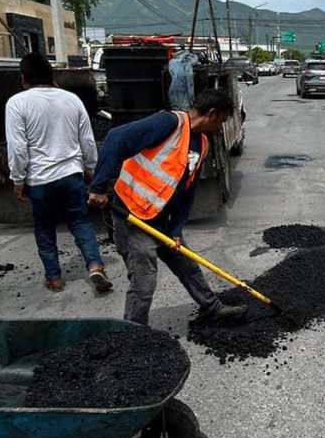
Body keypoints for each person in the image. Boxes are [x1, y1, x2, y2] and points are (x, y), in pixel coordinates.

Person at [87, 88, 246, 327]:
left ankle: (212, 308)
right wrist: (98, 187)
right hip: (133, 216)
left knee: (188, 267)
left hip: (161, 220)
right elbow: (115, 138)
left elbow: (187, 192)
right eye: (221, 121)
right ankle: (133, 332)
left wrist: (176, 228)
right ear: (212, 114)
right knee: (144, 282)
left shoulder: (202, 143)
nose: (220, 128)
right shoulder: (169, 123)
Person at [5, 52, 111, 294]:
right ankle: (95, 265)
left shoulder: (17, 103)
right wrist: (91, 169)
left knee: (44, 228)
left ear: (24, 78)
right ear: (51, 75)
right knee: (80, 222)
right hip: (71, 175)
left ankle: (54, 277)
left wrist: (18, 180)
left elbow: (18, 148)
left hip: (39, 180)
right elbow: (87, 140)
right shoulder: (72, 100)